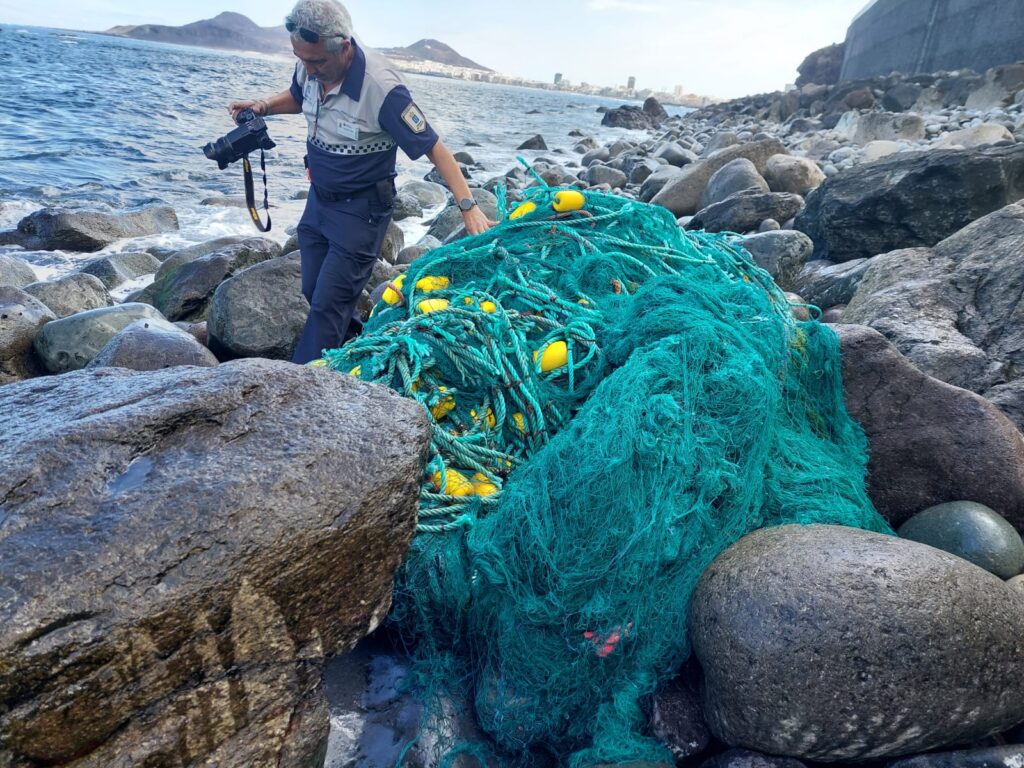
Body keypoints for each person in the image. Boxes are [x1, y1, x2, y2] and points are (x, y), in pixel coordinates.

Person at [228, 0, 495, 364]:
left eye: (317, 62)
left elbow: (435, 149)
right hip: (319, 201)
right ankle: (353, 345)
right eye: (301, 59)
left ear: (345, 47)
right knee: (313, 289)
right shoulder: (311, 62)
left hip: (361, 213)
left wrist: (468, 207)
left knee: (326, 306)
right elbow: (297, 95)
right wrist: (263, 107)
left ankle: (298, 386)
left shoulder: (383, 90)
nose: (308, 69)